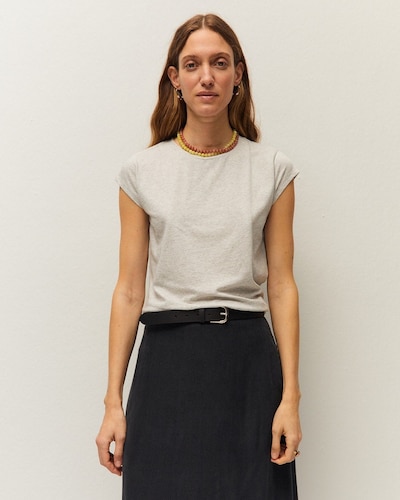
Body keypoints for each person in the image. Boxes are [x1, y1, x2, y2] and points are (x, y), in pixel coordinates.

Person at [96, 13, 302, 499]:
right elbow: (129, 290)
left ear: (238, 75)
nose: (206, 76)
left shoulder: (272, 169)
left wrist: (291, 397)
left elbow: (281, 285)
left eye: (219, 63)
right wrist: (112, 403)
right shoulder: (141, 172)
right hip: (167, 365)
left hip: (247, 366)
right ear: (175, 78)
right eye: (192, 65)